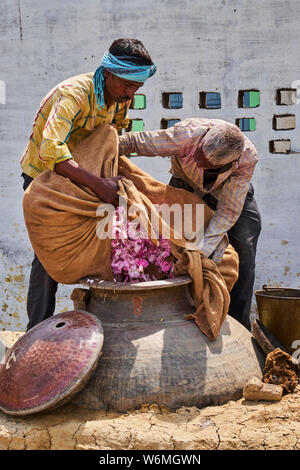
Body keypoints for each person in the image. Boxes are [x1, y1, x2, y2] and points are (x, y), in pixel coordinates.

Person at [20, 38, 156, 331]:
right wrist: (100, 186)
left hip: (88, 178)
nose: (131, 94)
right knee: (49, 256)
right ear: (108, 72)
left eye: (137, 88)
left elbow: (110, 142)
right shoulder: (73, 95)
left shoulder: (120, 100)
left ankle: (101, 324)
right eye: (127, 85)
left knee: (107, 242)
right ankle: (36, 332)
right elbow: (52, 155)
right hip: (46, 181)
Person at [119, 118, 261, 330]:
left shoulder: (246, 159)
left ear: (224, 164)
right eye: (197, 154)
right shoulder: (186, 134)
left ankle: (237, 323)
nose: (196, 161)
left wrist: (202, 251)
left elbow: (228, 212)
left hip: (227, 197)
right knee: (167, 243)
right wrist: (108, 146)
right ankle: (174, 315)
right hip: (184, 186)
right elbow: (139, 142)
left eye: (204, 163)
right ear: (202, 141)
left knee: (243, 252)